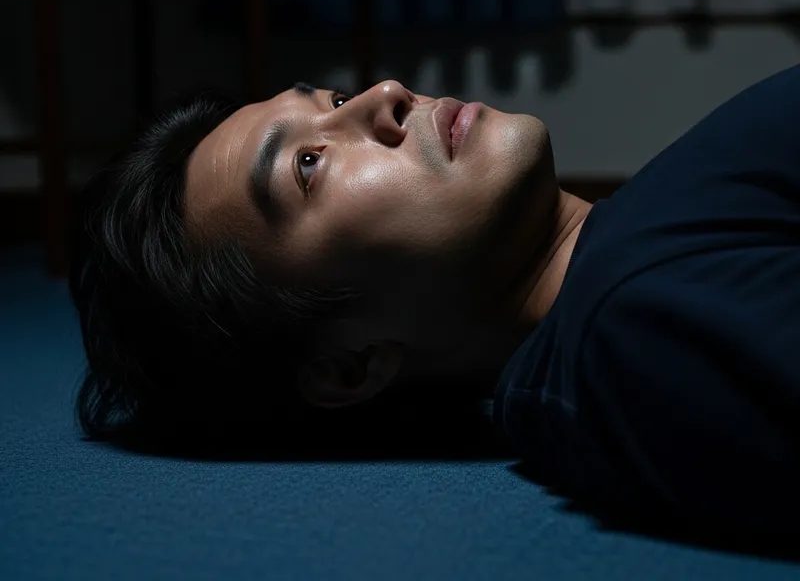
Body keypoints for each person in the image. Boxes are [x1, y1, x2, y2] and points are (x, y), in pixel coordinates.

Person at [69, 66, 800, 536]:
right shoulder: (634, 330)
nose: (386, 95)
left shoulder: (631, 246)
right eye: (309, 164)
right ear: (348, 366)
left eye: (335, 99)